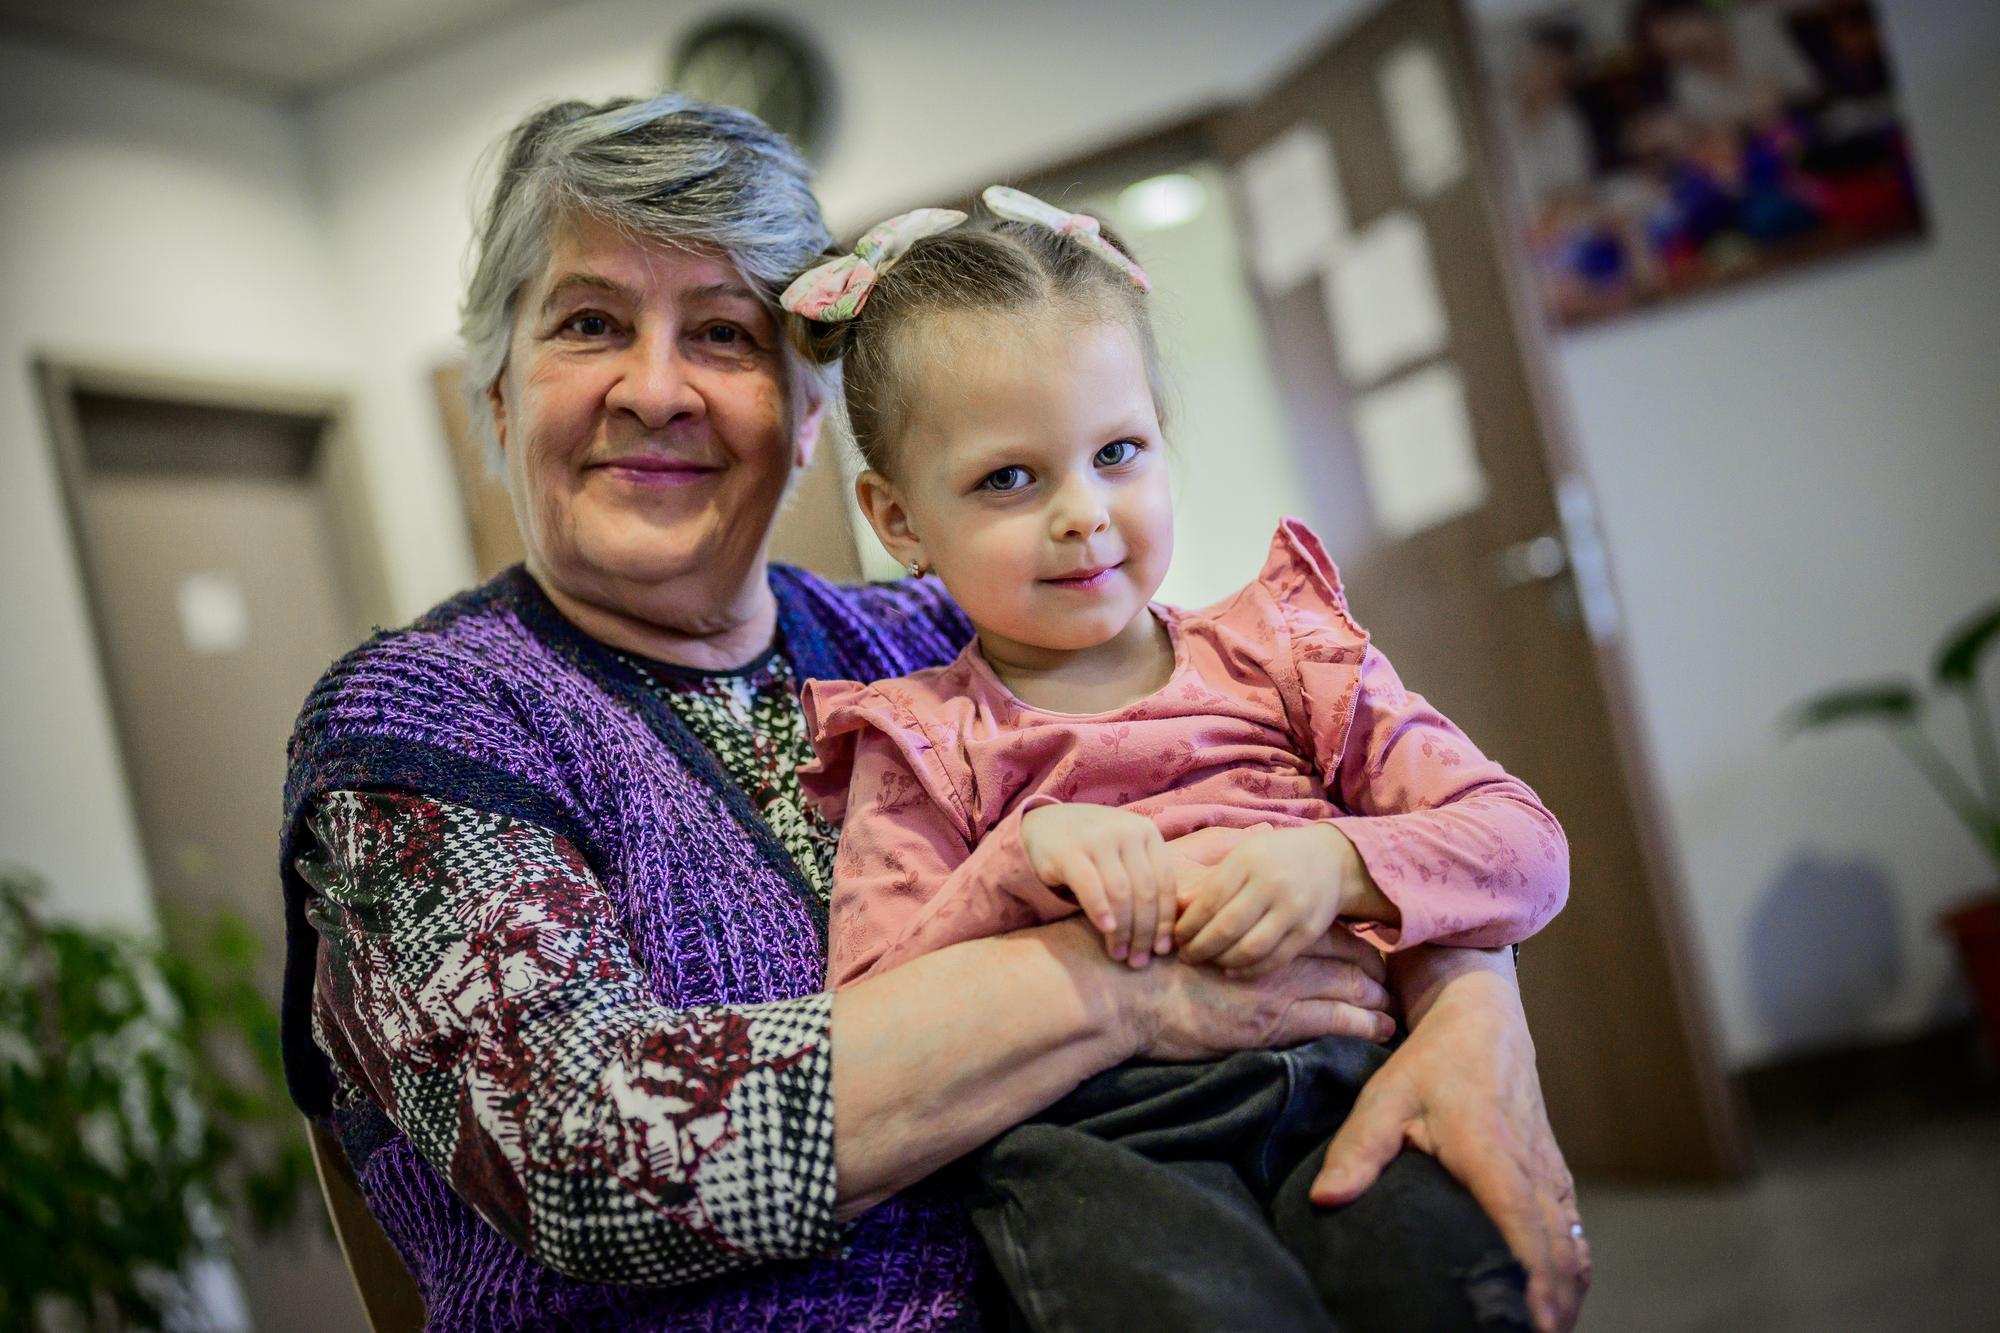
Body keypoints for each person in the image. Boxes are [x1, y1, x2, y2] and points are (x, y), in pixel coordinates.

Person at [277, 92, 1591, 1330]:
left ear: (807, 417)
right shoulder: (430, 721)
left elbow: (1326, 793)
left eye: (723, 333)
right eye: (587, 324)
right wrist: (1124, 991)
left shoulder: (943, 628)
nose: (657, 388)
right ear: (497, 394)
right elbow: (593, 1158)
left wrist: (1468, 1003)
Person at [783, 190, 1567, 1328]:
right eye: (1008, 478)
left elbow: (1524, 849)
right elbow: (872, 1014)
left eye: (1117, 452)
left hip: (1351, 1077)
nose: (1082, 513)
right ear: (898, 519)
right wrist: (1020, 858)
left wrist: (1340, 864)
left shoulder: (1287, 657)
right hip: (1106, 1145)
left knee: (1462, 1290)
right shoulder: (918, 742)